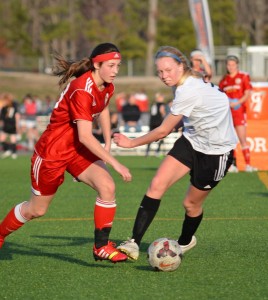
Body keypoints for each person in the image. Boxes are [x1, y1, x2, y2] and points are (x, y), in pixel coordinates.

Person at [0, 42, 132, 263]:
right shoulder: (82, 89)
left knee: (107, 187)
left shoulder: (107, 85)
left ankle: (101, 247)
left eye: (118, 65)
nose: (116, 70)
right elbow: (85, 136)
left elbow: (104, 108)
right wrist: (115, 162)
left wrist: (108, 141)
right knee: (37, 210)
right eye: (111, 65)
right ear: (96, 65)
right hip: (53, 153)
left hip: (76, 151)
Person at [113, 46, 237, 260]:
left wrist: (131, 143)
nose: (164, 76)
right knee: (156, 185)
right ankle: (133, 242)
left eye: (168, 70)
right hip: (191, 141)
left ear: (181, 66)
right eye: (160, 71)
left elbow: (162, 130)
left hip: (216, 153)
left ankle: (185, 241)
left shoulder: (188, 89)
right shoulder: (182, 85)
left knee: (191, 204)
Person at [219, 55, 257, 173]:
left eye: (233, 64)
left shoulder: (243, 76)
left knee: (242, 139)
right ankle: (232, 165)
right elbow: (220, 95)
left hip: (239, 112)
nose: (231, 67)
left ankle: (248, 165)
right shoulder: (224, 80)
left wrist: (237, 102)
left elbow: (247, 93)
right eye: (228, 65)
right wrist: (227, 103)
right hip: (227, 114)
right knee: (230, 140)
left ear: (237, 65)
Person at [146, 92, 167, 156]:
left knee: (150, 136)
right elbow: (162, 112)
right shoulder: (162, 104)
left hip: (152, 122)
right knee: (161, 137)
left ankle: (147, 151)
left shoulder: (153, 104)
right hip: (158, 122)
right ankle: (157, 151)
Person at [0, 92, 20, 159]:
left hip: (12, 124)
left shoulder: (14, 105)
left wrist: (17, 124)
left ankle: (14, 153)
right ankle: (8, 150)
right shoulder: (4, 107)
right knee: (2, 139)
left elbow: (17, 115)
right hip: (6, 124)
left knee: (13, 139)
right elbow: (2, 117)